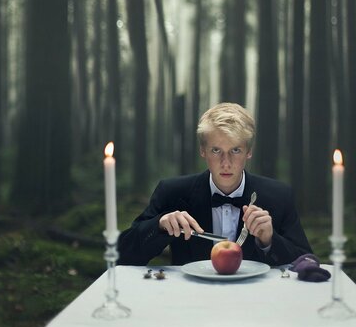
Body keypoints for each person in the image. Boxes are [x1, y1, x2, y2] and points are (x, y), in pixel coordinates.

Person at [117, 102, 312, 266]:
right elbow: (122, 255)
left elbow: (307, 261)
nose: (226, 162)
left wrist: (269, 240)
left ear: (249, 152)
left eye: (235, 150)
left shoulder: (278, 196)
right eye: (216, 150)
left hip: (256, 304)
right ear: (203, 150)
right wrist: (159, 225)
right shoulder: (172, 192)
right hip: (190, 302)